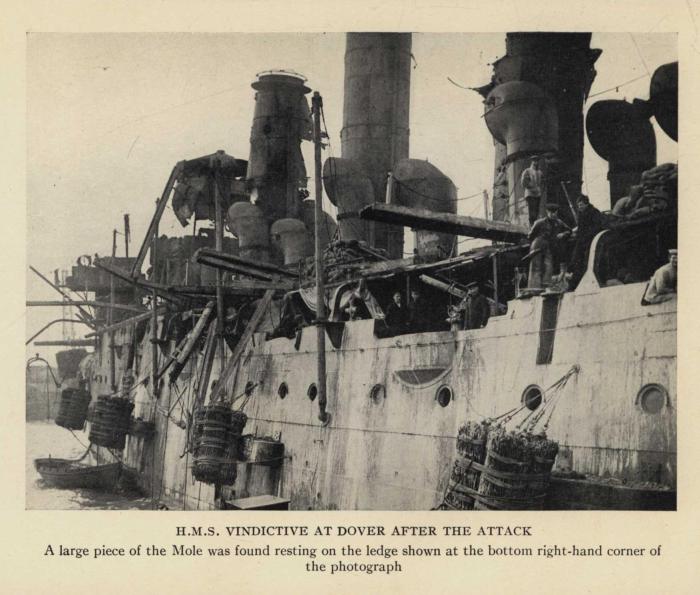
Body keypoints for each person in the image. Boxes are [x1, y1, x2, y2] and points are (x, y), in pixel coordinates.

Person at [526, 203, 570, 290]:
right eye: (551, 213)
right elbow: (530, 235)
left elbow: (569, 230)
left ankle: (546, 286)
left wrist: (563, 234)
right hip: (538, 245)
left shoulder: (559, 222)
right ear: (547, 212)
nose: (553, 214)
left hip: (549, 246)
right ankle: (534, 287)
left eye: (555, 213)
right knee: (536, 266)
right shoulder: (539, 222)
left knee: (548, 265)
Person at [569, 195, 605, 286]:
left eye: (581, 205)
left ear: (586, 204)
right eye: (578, 205)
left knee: (585, 258)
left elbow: (597, 227)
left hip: (591, 238)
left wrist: (585, 235)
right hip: (582, 239)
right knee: (576, 257)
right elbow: (581, 227)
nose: (579, 207)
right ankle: (575, 278)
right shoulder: (581, 213)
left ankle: (581, 278)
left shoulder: (594, 212)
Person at [520, 157, 544, 226]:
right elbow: (524, 183)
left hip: (538, 194)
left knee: (536, 211)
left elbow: (542, 181)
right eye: (535, 161)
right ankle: (531, 226)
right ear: (532, 161)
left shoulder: (540, 172)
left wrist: (540, 188)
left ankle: (535, 226)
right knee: (532, 211)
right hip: (530, 194)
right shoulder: (527, 171)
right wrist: (532, 187)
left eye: (537, 161)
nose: (536, 162)